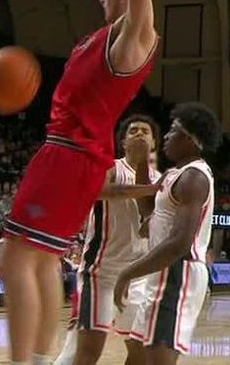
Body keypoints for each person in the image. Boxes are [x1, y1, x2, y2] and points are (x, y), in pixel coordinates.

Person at [0, 0, 186, 365]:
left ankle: (23, 362)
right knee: (38, 261)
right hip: (75, 158)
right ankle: (38, 359)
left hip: (70, 154)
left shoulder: (133, 35)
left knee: (13, 258)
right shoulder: (105, 39)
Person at [113, 102, 221, 365]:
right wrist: (140, 163)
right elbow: (146, 209)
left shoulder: (194, 178)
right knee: (139, 354)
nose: (167, 138)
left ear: (189, 139)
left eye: (173, 131)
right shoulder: (174, 174)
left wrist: (128, 273)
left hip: (177, 274)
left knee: (159, 357)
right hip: (162, 273)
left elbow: (180, 243)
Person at [55, 115, 163, 365]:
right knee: (82, 354)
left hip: (139, 276)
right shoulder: (109, 166)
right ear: (123, 141)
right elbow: (100, 191)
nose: (138, 134)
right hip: (100, 273)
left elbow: (148, 213)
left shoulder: (159, 179)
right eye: (133, 131)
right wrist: (150, 189)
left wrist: (145, 175)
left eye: (144, 132)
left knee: (141, 354)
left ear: (154, 142)